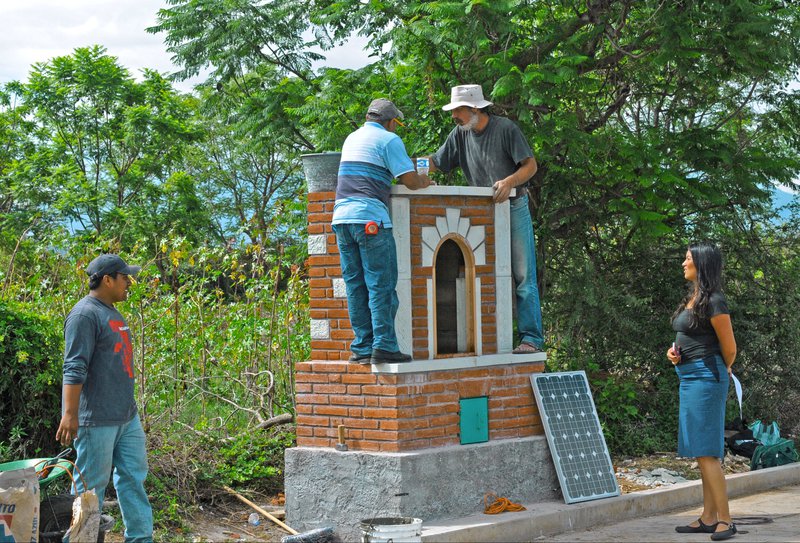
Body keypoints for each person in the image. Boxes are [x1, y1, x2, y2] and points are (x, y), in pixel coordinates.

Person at [427, 84, 544, 354]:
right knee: (484, 276)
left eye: (458, 110)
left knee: (523, 275)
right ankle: (491, 343)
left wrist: (509, 182)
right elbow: (437, 161)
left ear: (476, 109)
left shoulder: (505, 129)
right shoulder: (460, 134)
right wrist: (407, 168)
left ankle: (531, 339)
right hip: (482, 213)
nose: (454, 115)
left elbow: (530, 165)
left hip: (513, 207)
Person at [56, 254, 154, 543]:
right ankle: (79, 540)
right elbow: (74, 366)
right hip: (96, 420)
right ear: (107, 279)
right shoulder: (84, 314)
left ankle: (140, 538)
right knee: (89, 492)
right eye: (124, 277)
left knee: (133, 480)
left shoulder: (112, 311)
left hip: (126, 417)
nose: (128, 283)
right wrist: (70, 414)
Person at [333, 98, 432, 364]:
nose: (396, 129)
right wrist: (425, 181)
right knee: (381, 284)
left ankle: (362, 347)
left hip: (341, 218)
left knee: (356, 286)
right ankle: (385, 345)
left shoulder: (351, 138)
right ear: (390, 122)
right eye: (396, 124)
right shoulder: (389, 140)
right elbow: (409, 181)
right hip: (370, 219)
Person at [668, 242, 737, 541]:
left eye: (688, 259)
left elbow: (730, 348)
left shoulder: (715, 301)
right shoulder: (694, 298)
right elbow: (690, 338)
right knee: (700, 450)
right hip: (689, 377)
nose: (683, 263)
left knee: (708, 452)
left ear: (702, 264)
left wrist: (724, 368)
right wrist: (674, 354)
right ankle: (709, 517)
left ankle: (726, 520)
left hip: (706, 379)